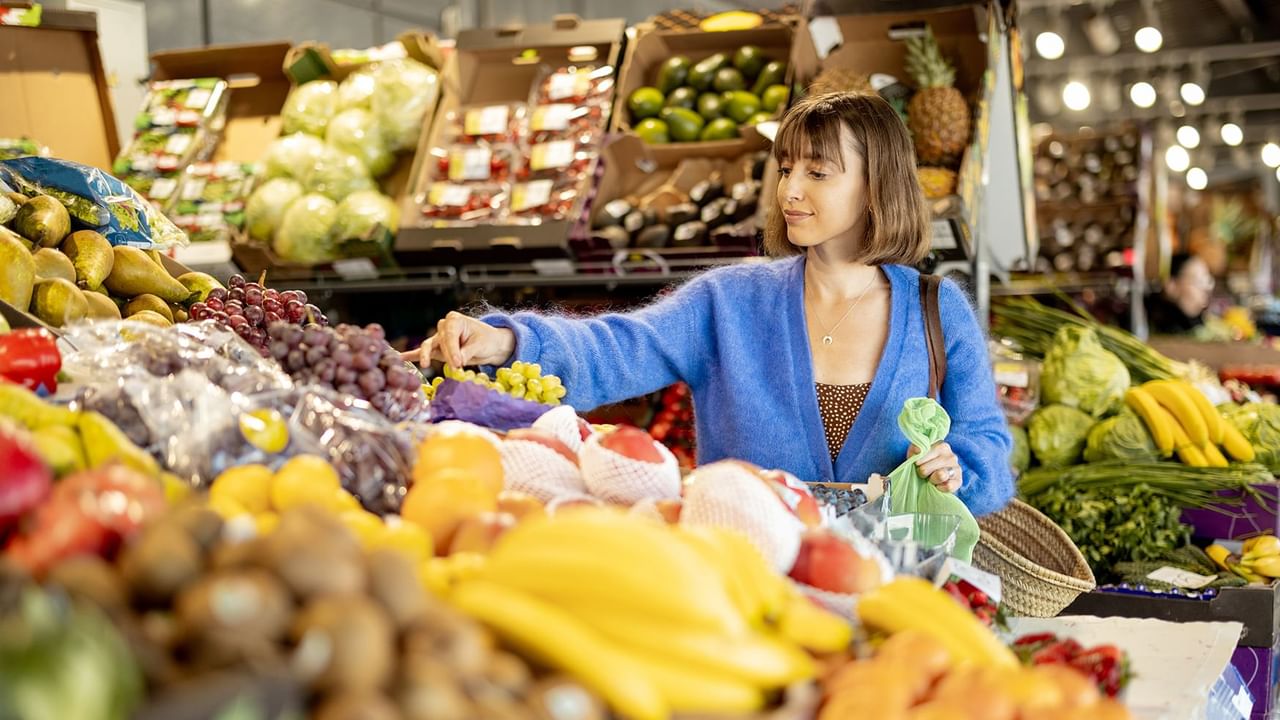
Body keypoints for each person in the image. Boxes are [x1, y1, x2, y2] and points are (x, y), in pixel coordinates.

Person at [406, 92, 1013, 517]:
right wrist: (510, 340)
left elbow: (985, 442)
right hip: (742, 581)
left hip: (896, 588)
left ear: (876, 185)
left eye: (819, 172)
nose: (790, 190)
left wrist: (957, 469)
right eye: (786, 168)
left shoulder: (939, 310)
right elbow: (620, 348)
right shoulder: (730, 300)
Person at [1145, 251, 1213, 334]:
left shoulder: (1205, 325)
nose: (1206, 288)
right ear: (1171, 285)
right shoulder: (1150, 328)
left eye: (1208, 281)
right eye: (1198, 281)